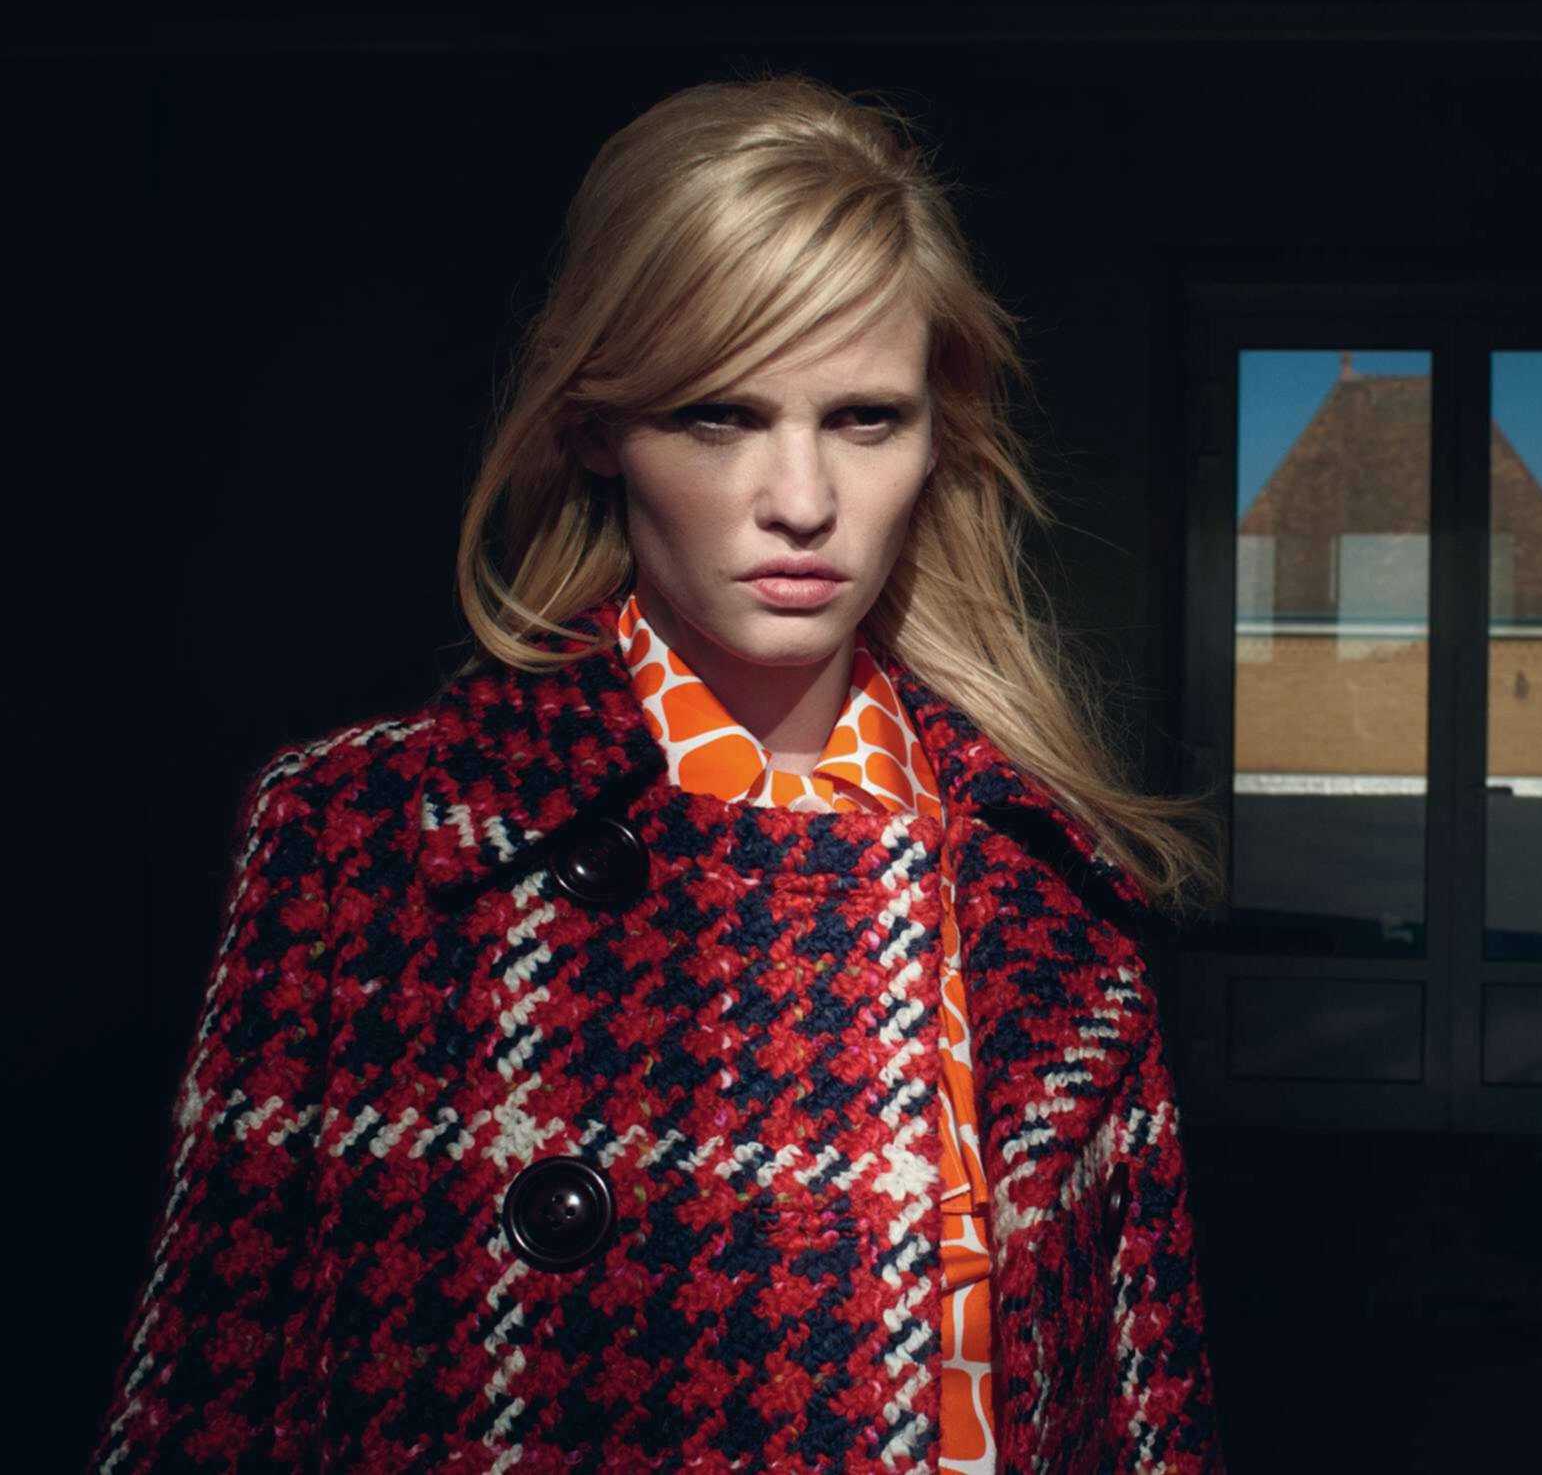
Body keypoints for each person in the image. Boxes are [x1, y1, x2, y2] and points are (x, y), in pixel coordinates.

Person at [88, 72, 1227, 1473]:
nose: (802, 501)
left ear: (939, 436)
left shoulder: (1052, 902)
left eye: (866, 417)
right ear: (596, 428)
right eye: (718, 415)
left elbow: (1147, 1427)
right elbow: (203, 1406)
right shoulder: (369, 845)